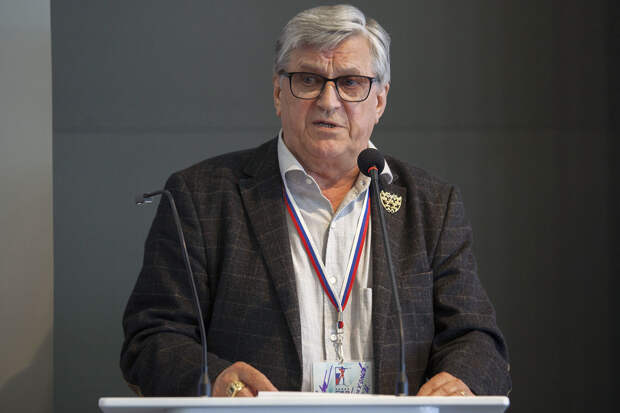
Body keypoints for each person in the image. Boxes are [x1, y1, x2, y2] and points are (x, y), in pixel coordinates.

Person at [121, 4, 511, 398]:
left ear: (379, 100)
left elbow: (477, 340)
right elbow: (152, 338)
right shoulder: (202, 197)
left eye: (351, 83)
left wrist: (463, 380)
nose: (328, 101)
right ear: (278, 93)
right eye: (308, 80)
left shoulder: (430, 206)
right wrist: (218, 380)